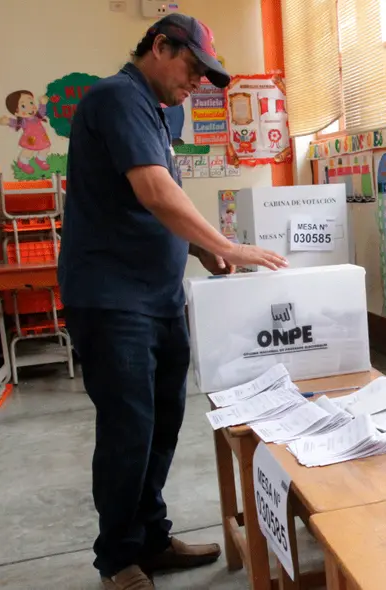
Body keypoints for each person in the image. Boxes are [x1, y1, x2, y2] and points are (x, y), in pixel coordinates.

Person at [58, 14, 288, 590]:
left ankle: (151, 539)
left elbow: (161, 201)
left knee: (163, 420)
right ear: (160, 46)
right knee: (129, 426)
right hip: (113, 300)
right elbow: (156, 192)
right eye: (194, 69)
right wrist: (228, 243)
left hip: (156, 296)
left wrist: (202, 251)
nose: (198, 84)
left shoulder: (155, 112)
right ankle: (117, 558)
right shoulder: (117, 98)